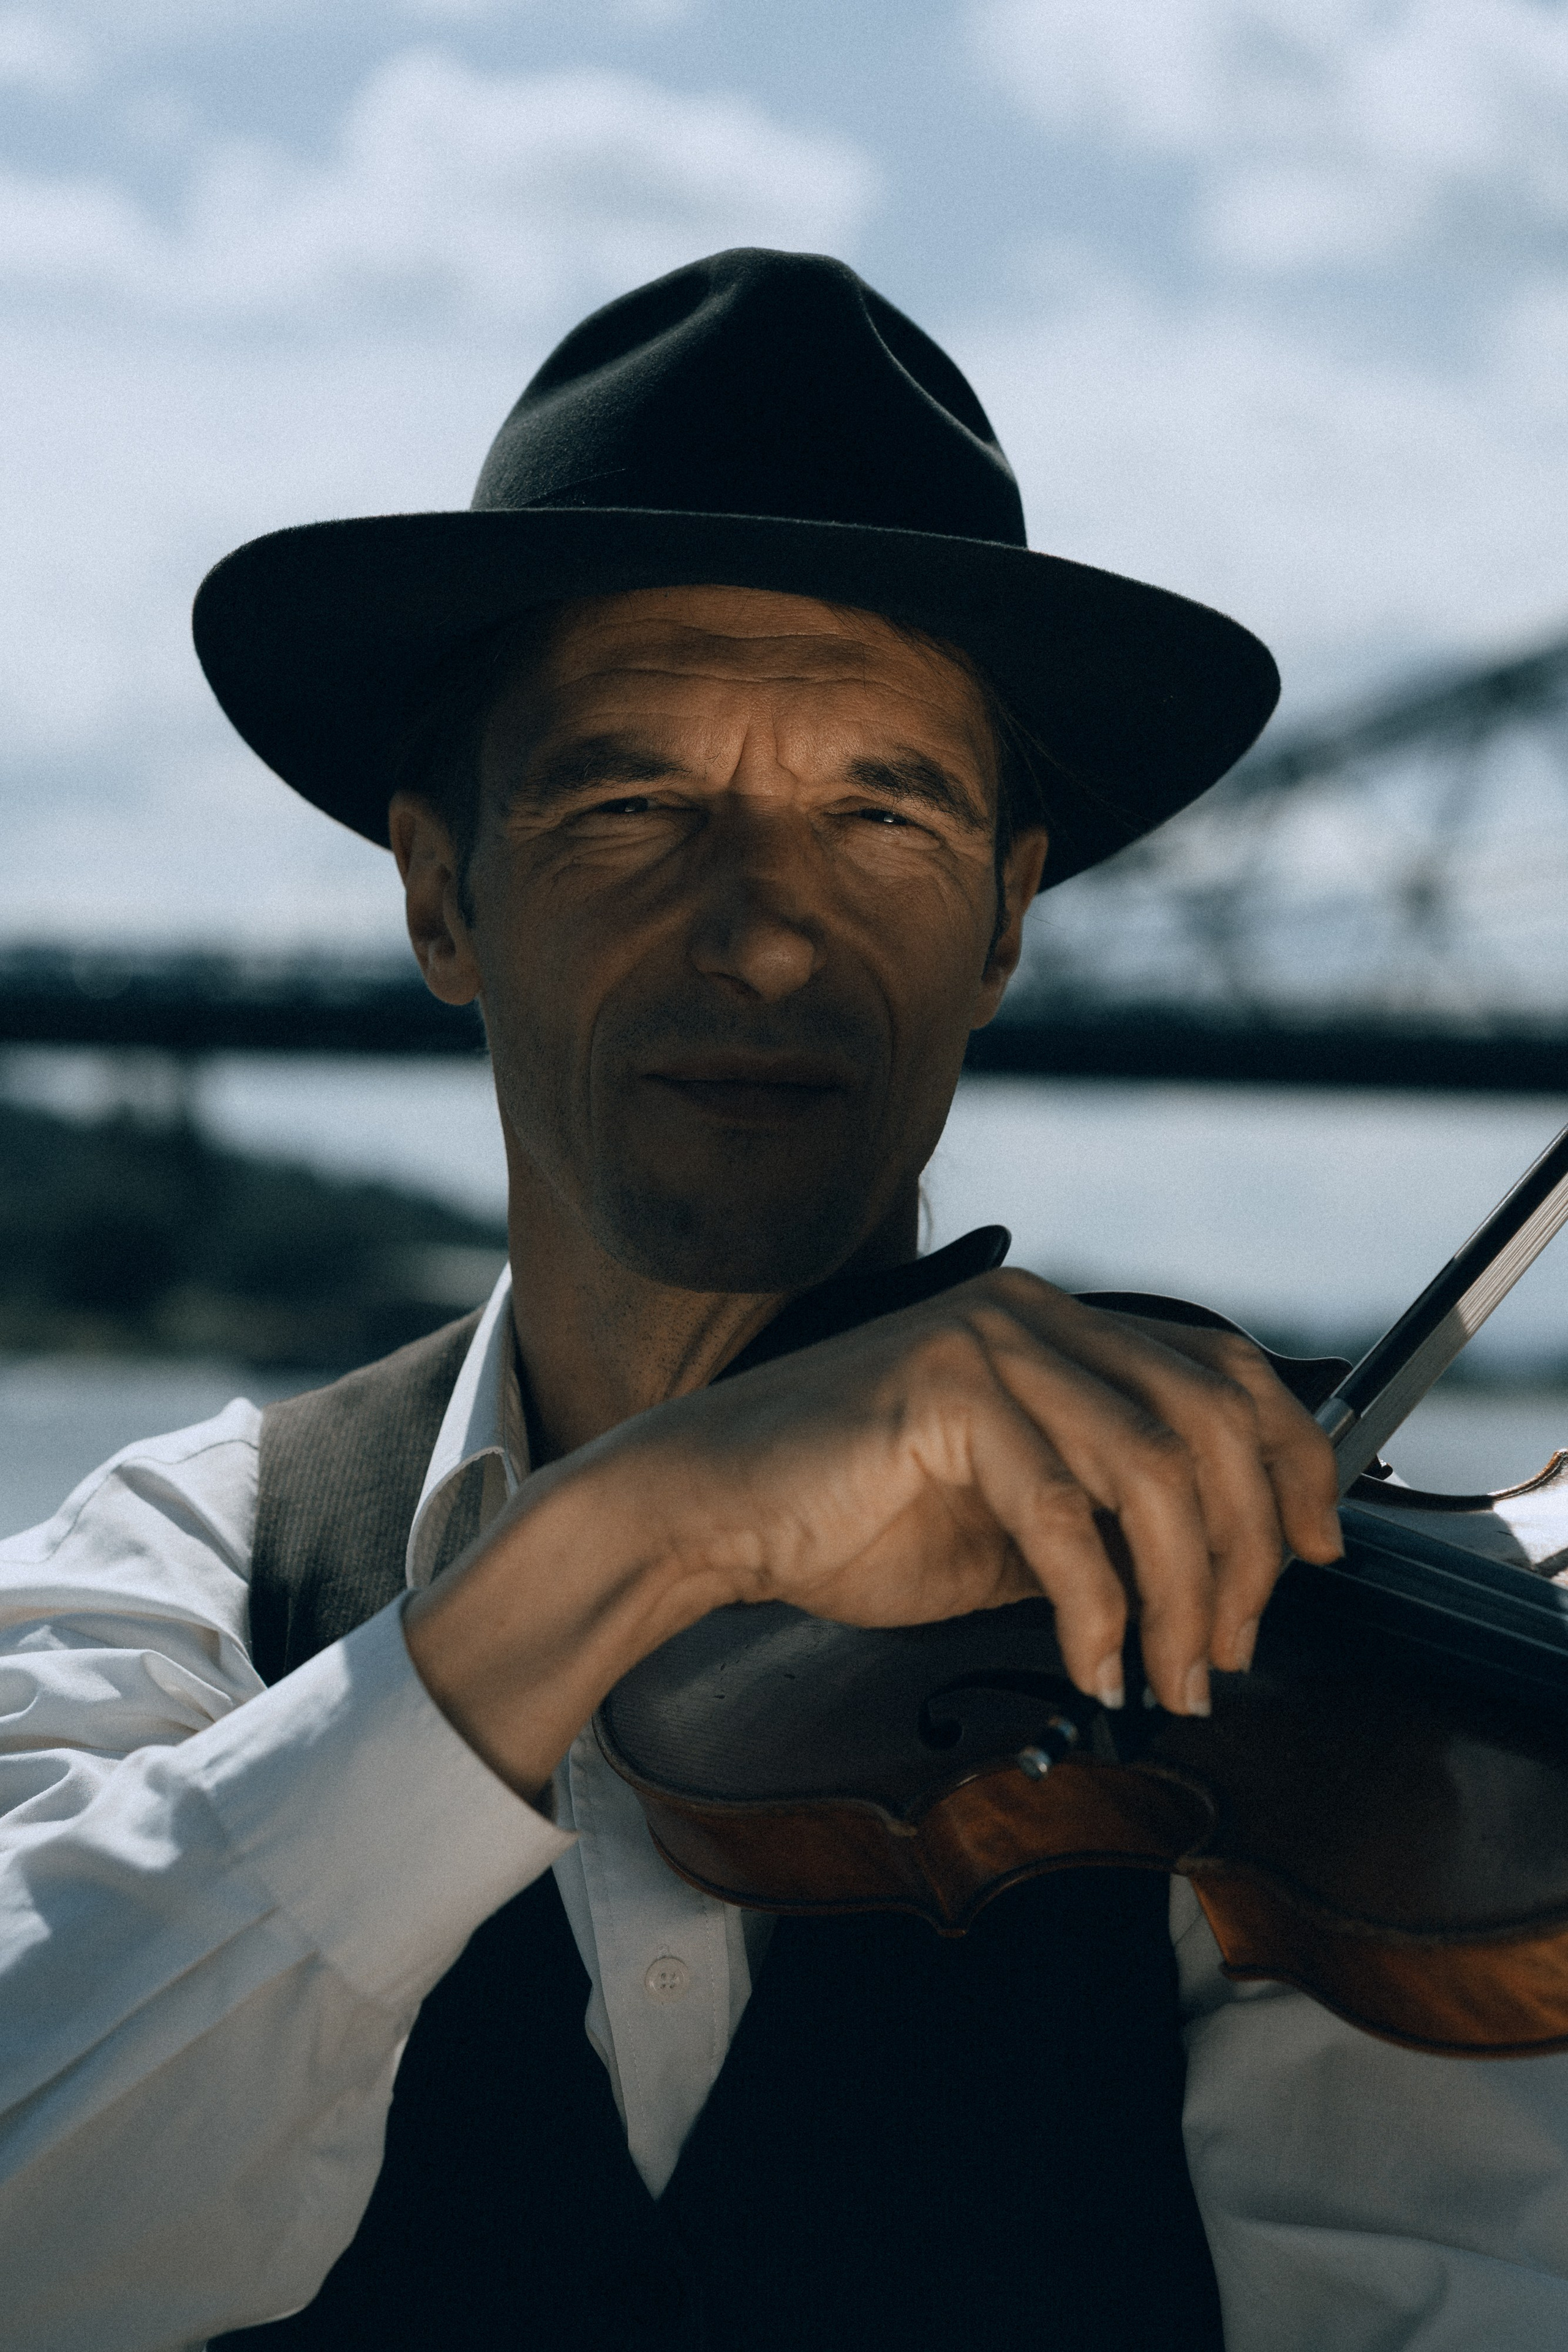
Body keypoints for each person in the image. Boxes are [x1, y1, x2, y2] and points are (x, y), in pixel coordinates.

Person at [2, 248, 1566, 2352]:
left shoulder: (1285, 1712)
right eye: (633, 805)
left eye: (884, 815)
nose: (761, 938)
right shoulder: (179, 1572)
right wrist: (642, 1532)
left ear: (1008, 921)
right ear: (442, 896)